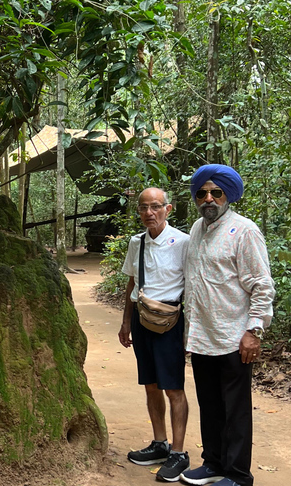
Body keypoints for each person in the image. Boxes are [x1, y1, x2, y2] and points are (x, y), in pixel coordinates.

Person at [180, 164, 275, 486]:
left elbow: (262, 285)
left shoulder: (244, 230)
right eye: (202, 193)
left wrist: (254, 331)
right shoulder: (196, 228)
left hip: (234, 338)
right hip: (201, 336)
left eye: (216, 193)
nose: (208, 198)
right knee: (210, 406)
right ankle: (213, 463)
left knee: (235, 411)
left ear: (227, 195)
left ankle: (236, 475)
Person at [119, 187, 191, 482]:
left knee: (173, 388)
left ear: (168, 209)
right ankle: (159, 443)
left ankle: (179, 452)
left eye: (155, 207)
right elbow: (132, 284)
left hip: (170, 321)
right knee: (150, 385)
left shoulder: (184, 242)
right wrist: (126, 322)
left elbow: (195, 285)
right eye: (144, 208)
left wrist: (193, 330)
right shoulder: (137, 243)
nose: (149, 213)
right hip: (141, 318)